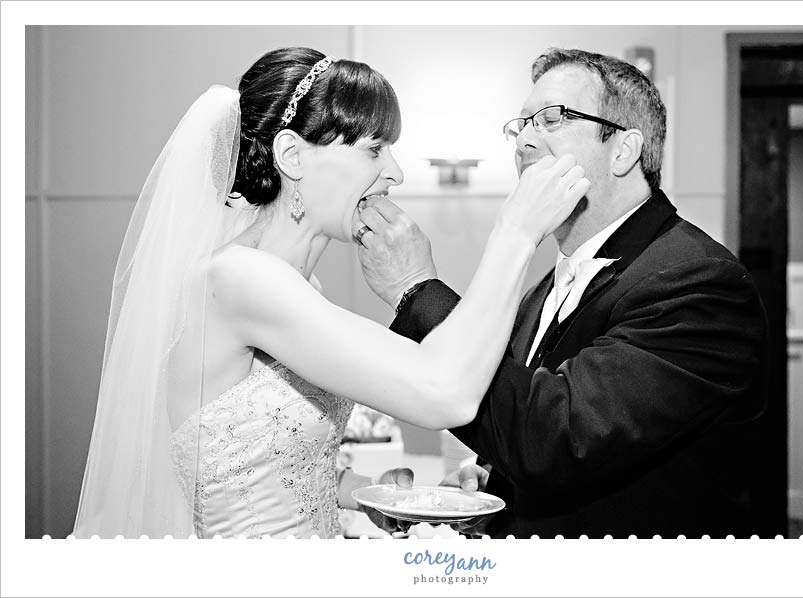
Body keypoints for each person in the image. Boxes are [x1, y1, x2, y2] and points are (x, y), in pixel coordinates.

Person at [72, 47, 590, 539]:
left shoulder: (299, 286)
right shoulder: (241, 280)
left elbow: (258, 466)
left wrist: (362, 493)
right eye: (373, 149)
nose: (395, 172)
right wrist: (517, 232)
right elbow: (445, 392)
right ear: (292, 156)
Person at [357, 48, 770, 539]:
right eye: (522, 123)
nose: (524, 141)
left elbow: (556, 440)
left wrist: (416, 290)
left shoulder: (698, 282)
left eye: (552, 118)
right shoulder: (542, 290)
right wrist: (497, 478)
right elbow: (526, 425)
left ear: (623, 149)